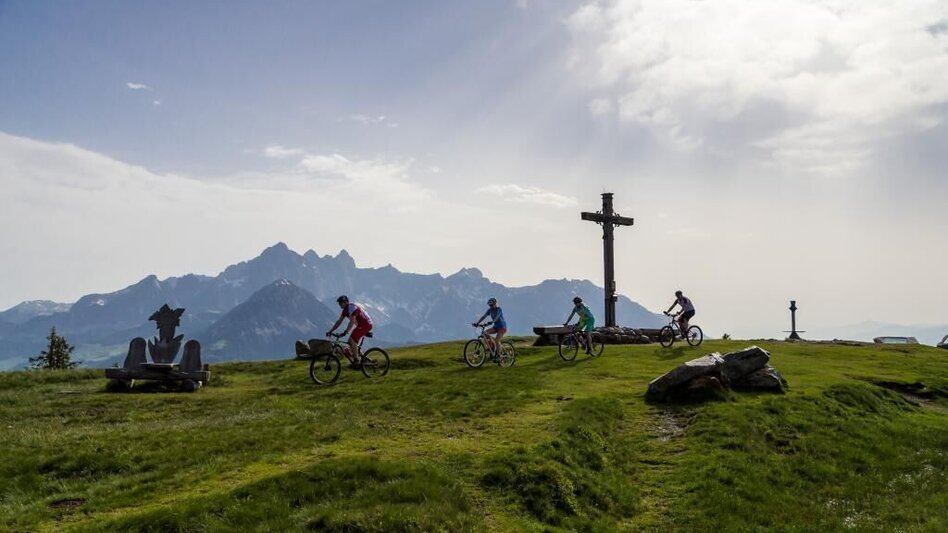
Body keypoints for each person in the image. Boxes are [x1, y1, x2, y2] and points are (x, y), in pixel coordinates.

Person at [326, 295, 373, 368]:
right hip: (361, 325)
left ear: (346, 302)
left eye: (341, 303)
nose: (339, 304)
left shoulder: (351, 307)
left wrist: (346, 331)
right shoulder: (345, 310)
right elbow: (339, 321)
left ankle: (356, 360)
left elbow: (352, 320)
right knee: (350, 342)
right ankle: (363, 359)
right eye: (339, 303)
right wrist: (330, 331)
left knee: (352, 340)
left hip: (365, 324)